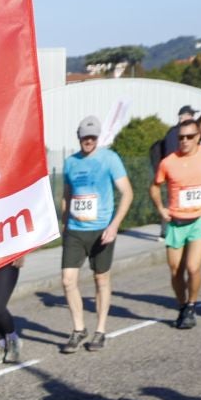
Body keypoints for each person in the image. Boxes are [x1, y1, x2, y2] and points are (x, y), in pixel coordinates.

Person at [59, 116, 132, 351]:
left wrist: (114, 225)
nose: (88, 141)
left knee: (101, 279)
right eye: (84, 137)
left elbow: (127, 193)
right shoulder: (70, 162)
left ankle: (100, 330)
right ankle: (79, 329)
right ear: (78, 137)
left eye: (92, 137)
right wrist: (64, 222)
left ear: (97, 138)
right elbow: (67, 194)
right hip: (76, 231)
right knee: (67, 280)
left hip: (102, 230)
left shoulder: (109, 159)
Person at [152, 117, 201, 329]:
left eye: (190, 136)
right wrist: (161, 208)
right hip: (176, 221)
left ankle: (191, 305)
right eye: (181, 137)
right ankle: (181, 305)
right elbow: (155, 186)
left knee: (193, 267)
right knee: (175, 269)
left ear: (198, 136)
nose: (185, 141)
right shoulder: (169, 161)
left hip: (200, 218)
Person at [149, 106, 198, 170]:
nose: (193, 118)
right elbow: (171, 154)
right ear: (182, 117)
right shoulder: (174, 133)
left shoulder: (187, 132)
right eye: (190, 115)